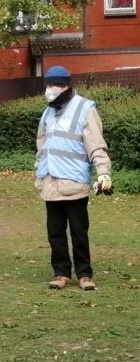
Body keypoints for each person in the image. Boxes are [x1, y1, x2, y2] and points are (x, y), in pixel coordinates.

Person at [35, 65, 111, 291]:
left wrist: (103, 172)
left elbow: (96, 144)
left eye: (54, 85)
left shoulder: (85, 108)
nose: (49, 89)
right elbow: (42, 146)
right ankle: (61, 273)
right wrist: (39, 172)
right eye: (47, 84)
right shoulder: (48, 112)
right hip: (50, 183)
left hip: (74, 183)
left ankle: (84, 275)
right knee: (55, 233)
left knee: (79, 232)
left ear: (65, 86)